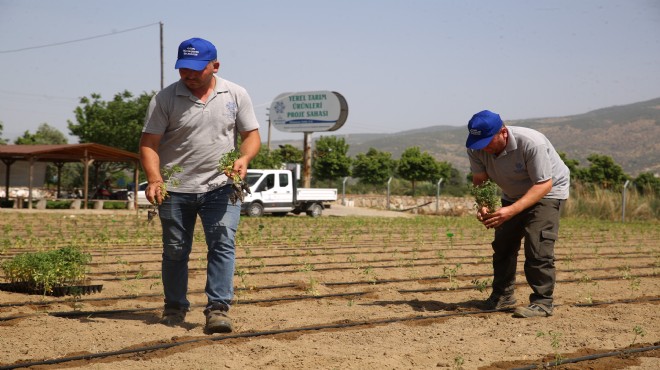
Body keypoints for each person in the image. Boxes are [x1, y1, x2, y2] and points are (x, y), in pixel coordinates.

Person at [139, 37, 261, 333]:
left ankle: (218, 309)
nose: (188, 75)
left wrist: (244, 158)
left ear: (214, 65)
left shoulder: (236, 94)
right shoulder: (165, 99)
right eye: (183, 69)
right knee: (176, 249)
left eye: (196, 69)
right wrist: (155, 179)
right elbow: (149, 143)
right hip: (175, 187)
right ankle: (175, 306)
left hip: (222, 186)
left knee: (222, 243)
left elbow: (251, 135)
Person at [465, 110, 569, 318]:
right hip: (512, 194)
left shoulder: (531, 143)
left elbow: (543, 184)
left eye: (487, 141)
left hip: (547, 192)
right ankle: (503, 296)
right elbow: (480, 179)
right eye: (479, 142)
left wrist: (511, 211)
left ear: (503, 132)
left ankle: (542, 302)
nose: (483, 147)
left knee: (537, 244)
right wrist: (483, 204)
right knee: (503, 244)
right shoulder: (476, 147)